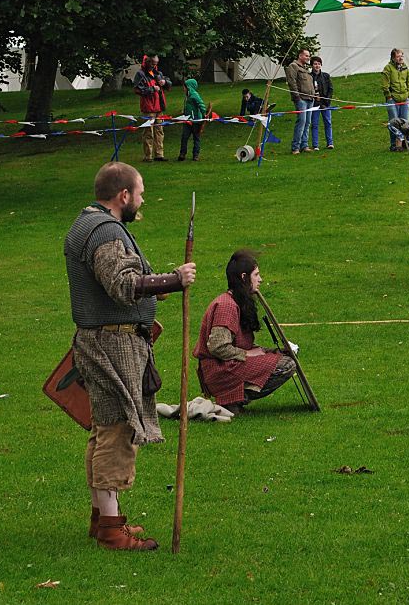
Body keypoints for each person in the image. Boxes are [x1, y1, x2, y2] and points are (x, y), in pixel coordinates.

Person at [64, 162, 196, 550]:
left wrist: (155, 289)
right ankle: (109, 528)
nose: (142, 199)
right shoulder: (103, 231)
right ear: (123, 196)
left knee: (106, 428)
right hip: (111, 343)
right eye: (139, 193)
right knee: (116, 430)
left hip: (106, 340)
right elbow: (120, 284)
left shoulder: (87, 223)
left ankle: (105, 516)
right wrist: (173, 279)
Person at [193, 250, 296, 415]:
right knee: (286, 365)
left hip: (229, 366)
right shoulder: (226, 305)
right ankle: (232, 400)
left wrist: (262, 351)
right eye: (256, 275)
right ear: (243, 277)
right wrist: (248, 354)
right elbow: (217, 347)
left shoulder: (237, 301)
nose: (260, 279)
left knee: (281, 355)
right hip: (220, 371)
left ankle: (234, 400)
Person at [133, 55, 170, 162]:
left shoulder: (158, 73)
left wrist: (165, 82)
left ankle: (159, 155)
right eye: (153, 63)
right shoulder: (140, 74)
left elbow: (168, 83)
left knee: (160, 131)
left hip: (159, 107)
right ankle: (148, 156)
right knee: (148, 132)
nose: (155, 66)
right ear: (147, 62)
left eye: (156, 63)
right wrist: (152, 89)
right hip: (148, 107)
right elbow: (137, 90)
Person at [382, 48, 409, 151]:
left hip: (404, 98)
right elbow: (385, 84)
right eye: (398, 56)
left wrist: (408, 93)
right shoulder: (388, 68)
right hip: (393, 99)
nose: (400, 58)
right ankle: (394, 144)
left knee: (406, 121)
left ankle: (407, 142)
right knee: (393, 122)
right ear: (393, 58)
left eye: (401, 56)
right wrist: (389, 96)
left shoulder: (405, 68)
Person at [286, 49, 314, 155]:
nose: (308, 58)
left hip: (310, 99)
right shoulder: (293, 66)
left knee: (307, 123)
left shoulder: (306, 68)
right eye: (306, 56)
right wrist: (297, 97)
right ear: (300, 55)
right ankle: (295, 147)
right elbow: (291, 82)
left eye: (309, 56)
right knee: (301, 122)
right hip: (301, 99)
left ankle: (304, 145)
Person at [309, 56, 334, 151]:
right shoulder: (309, 76)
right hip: (315, 104)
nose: (317, 66)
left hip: (326, 103)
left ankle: (330, 143)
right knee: (315, 124)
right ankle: (315, 145)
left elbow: (330, 89)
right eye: (315, 64)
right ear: (312, 65)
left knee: (328, 122)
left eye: (319, 64)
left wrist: (327, 101)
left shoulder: (326, 76)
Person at [178, 79, 206, 162]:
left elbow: (201, 104)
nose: (183, 88)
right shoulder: (187, 96)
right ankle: (182, 154)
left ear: (189, 87)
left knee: (196, 138)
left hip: (196, 121)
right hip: (187, 121)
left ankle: (196, 155)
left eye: (184, 87)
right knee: (184, 137)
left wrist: (204, 114)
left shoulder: (194, 95)